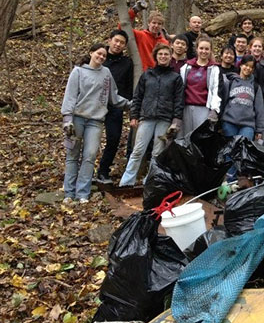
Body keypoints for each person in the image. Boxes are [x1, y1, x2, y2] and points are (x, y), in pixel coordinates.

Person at [61, 43, 129, 203]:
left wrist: (133, 105)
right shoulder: (78, 71)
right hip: (76, 119)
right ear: (91, 53)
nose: (101, 57)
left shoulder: (106, 73)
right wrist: (67, 119)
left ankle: (82, 193)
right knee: (72, 155)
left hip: (96, 121)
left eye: (104, 56)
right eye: (98, 54)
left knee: (90, 155)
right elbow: (69, 96)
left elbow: (114, 97)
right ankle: (69, 193)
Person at [119, 44, 184, 186]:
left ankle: (149, 181)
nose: (163, 57)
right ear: (156, 56)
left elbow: (179, 101)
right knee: (138, 151)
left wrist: (175, 122)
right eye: (160, 54)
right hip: (146, 117)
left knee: (157, 153)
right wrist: (134, 116)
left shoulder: (175, 78)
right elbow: (137, 97)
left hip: (165, 119)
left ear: (170, 57)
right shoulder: (147, 75)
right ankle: (126, 182)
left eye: (166, 54)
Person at [95, 30, 134, 184]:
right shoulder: (99, 57)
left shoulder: (127, 63)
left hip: (116, 106)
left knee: (113, 138)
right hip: (95, 105)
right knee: (91, 139)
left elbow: (129, 86)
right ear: (110, 40)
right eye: (116, 41)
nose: (118, 45)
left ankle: (103, 171)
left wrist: (131, 109)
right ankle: (84, 172)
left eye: (122, 43)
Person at [178, 36, 222, 138]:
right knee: (185, 138)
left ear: (211, 50)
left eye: (207, 49)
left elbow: (216, 90)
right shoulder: (186, 67)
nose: (204, 51)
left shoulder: (214, 69)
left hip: (204, 108)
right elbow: (180, 88)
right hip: (186, 107)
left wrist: (214, 110)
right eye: (201, 48)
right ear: (197, 49)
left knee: (199, 139)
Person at [221, 55, 264, 143]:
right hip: (229, 122)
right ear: (241, 65)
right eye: (246, 65)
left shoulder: (256, 87)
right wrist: (219, 122)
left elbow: (259, 109)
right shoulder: (230, 82)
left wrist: (259, 130)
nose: (248, 68)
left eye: (251, 67)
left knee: (243, 152)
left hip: (247, 125)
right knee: (229, 151)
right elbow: (223, 103)